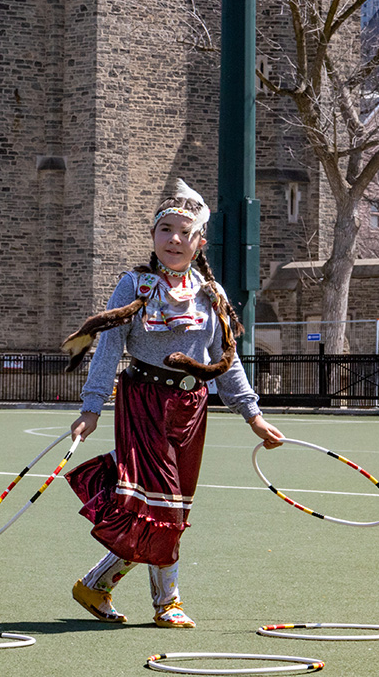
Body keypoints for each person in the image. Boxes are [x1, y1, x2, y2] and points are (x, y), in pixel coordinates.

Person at [59, 178, 284, 629]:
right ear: (153, 236)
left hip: (191, 409)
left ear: (200, 241)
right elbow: (108, 347)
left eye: (185, 233)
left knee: (172, 508)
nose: (175, 240)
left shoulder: (212, 294)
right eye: (166, 230)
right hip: (142, 401)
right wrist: (91, 407)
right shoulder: (134, 285)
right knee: (161, 505)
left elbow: (226, 360)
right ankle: (169, 603)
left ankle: (96, 584)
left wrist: (253, 415)